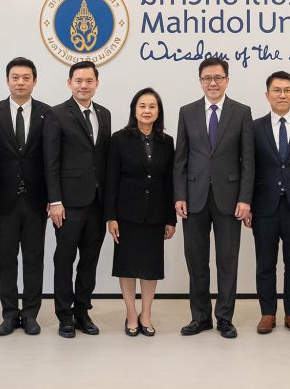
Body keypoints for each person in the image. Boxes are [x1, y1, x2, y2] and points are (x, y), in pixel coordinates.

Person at [174, 57, 255, 339]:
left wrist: (245, 199)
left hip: (230, 199)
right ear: (200, 81)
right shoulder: (187, 112)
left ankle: (224, 318)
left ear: (227, 80)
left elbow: (248, 161)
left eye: (218, 77)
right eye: (207, 78)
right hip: (194, 198)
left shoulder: (241, 112)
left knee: (227, 260)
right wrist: (179, 195)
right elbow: (181, 158)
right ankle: (200, 317)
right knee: (196, 261)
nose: (213, 83)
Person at [43, 60, 111, 338]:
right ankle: (64, 315)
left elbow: (102, 159)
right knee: (64, 260)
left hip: (97, 202)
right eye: (79, 81)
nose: (84, 85)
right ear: (69, 83)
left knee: (89, 260)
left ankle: (82, 311)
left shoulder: (104, 113)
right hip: (68, 203)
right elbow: (51, 161)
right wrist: (55, 201)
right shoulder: (56, 114)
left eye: (89, 81)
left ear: (97, 83)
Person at [0, 58, 49, 337]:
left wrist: (53, 197)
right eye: (15, 77)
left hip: (37, 200)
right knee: (6, 259)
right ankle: (9, 314)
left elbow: (52, 159)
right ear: (7, 80)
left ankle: (31, 314)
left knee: (34, 258)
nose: (20, 82)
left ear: (34, 81)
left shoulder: (48, 113)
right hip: (2, 201)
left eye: (26, 77)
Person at [246, 71, 290, 335]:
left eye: (287, 90)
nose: (282, 95)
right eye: (277, 90)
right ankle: (268, 313)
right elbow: (248, 168)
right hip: (264, 206)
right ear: (267, 95)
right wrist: (247, 203)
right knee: (265, 262)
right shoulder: (254, 127)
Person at [105, 88, 177, 336]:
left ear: (158, 112)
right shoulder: (119, 139)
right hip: (126, 214)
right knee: (127, 266)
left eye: (152, 106)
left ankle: (146, 314)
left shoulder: (167, 141)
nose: (147, 111)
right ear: (134, 110)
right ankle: (130, 313)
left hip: (155, 214)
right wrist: (111, 216)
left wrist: (171, 219)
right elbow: (111, 180)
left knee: (150, 267)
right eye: (142, 106)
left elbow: (169, 181)